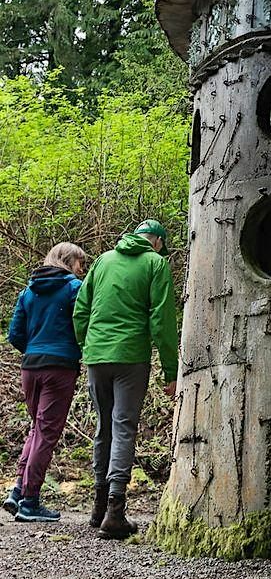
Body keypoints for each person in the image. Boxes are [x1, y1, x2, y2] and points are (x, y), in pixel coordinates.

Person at [73, 219, 179, 539]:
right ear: (157, 242)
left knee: (103, 427)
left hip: (96, 354)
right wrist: (171, 373)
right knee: (123, 427)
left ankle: (98, 506)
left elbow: (81, 310)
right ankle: (115, 512)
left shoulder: (103, 260)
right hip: (131, 356)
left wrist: (87, 345)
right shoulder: (155, 264)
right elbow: (161, 321)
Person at [4, 242, 88, 523]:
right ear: (67, 260)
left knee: (37, 428)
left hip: (31, 366)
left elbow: (15, 334)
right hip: (60, 367)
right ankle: (30, 502)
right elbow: (83, 324)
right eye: (80, 263)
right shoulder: (73, 288)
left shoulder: (28, 291)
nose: (82, 269)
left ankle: (18, 490)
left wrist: (36, 347)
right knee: (46, 433)